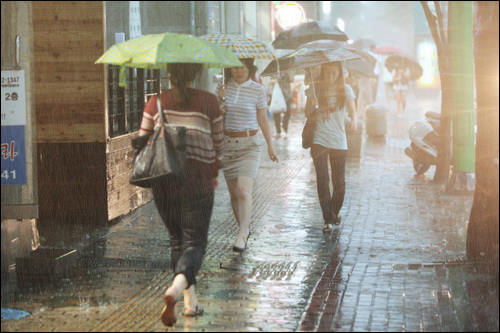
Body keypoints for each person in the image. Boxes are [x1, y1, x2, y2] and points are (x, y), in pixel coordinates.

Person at [138, 63, 223, 327]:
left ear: (169, 74)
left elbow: (142, 141)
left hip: (164, 183)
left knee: (177, 241)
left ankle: (190, 304)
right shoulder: (209, 101)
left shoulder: (156, 103)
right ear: (195, 73)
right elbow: (219, 142)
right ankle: (175, 292)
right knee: (195, 243)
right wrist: (214, 167)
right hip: (198, 181)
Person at [218, 58, 279, 253]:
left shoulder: (257, 89)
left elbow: (262, 118)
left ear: (249, 68)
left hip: (250, 145)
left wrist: (270, 145)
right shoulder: (224, 89)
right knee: (234, 194)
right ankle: (243, 229)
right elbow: (218, 118)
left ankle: (243, 232)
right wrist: (219, 100)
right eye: (235, 66)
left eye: (243, 67)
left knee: (244, 190)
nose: (239, 71)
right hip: (228, 145)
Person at [305, 61, 357, 232]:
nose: (330, 76)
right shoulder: (315, 90)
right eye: (327, 72)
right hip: (319, 139)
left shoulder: (346, 90)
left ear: (339, 73)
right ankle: (327, 218)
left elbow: (353, 110)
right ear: (323, 73)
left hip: (338, 140)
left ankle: (335, 211)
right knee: (323, 180)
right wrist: (311, 104)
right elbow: (306, 113)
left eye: (334, 73)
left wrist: (355, 121)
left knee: (339, 182)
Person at [273, 72, 292, 139]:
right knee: (276, 113)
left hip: (287, 95)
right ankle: (278, 131)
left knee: (288, 113)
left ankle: (285, 127)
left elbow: (292, 79)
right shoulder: (275, 71)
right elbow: (272, 81)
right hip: (278, 95)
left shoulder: (288, 71)